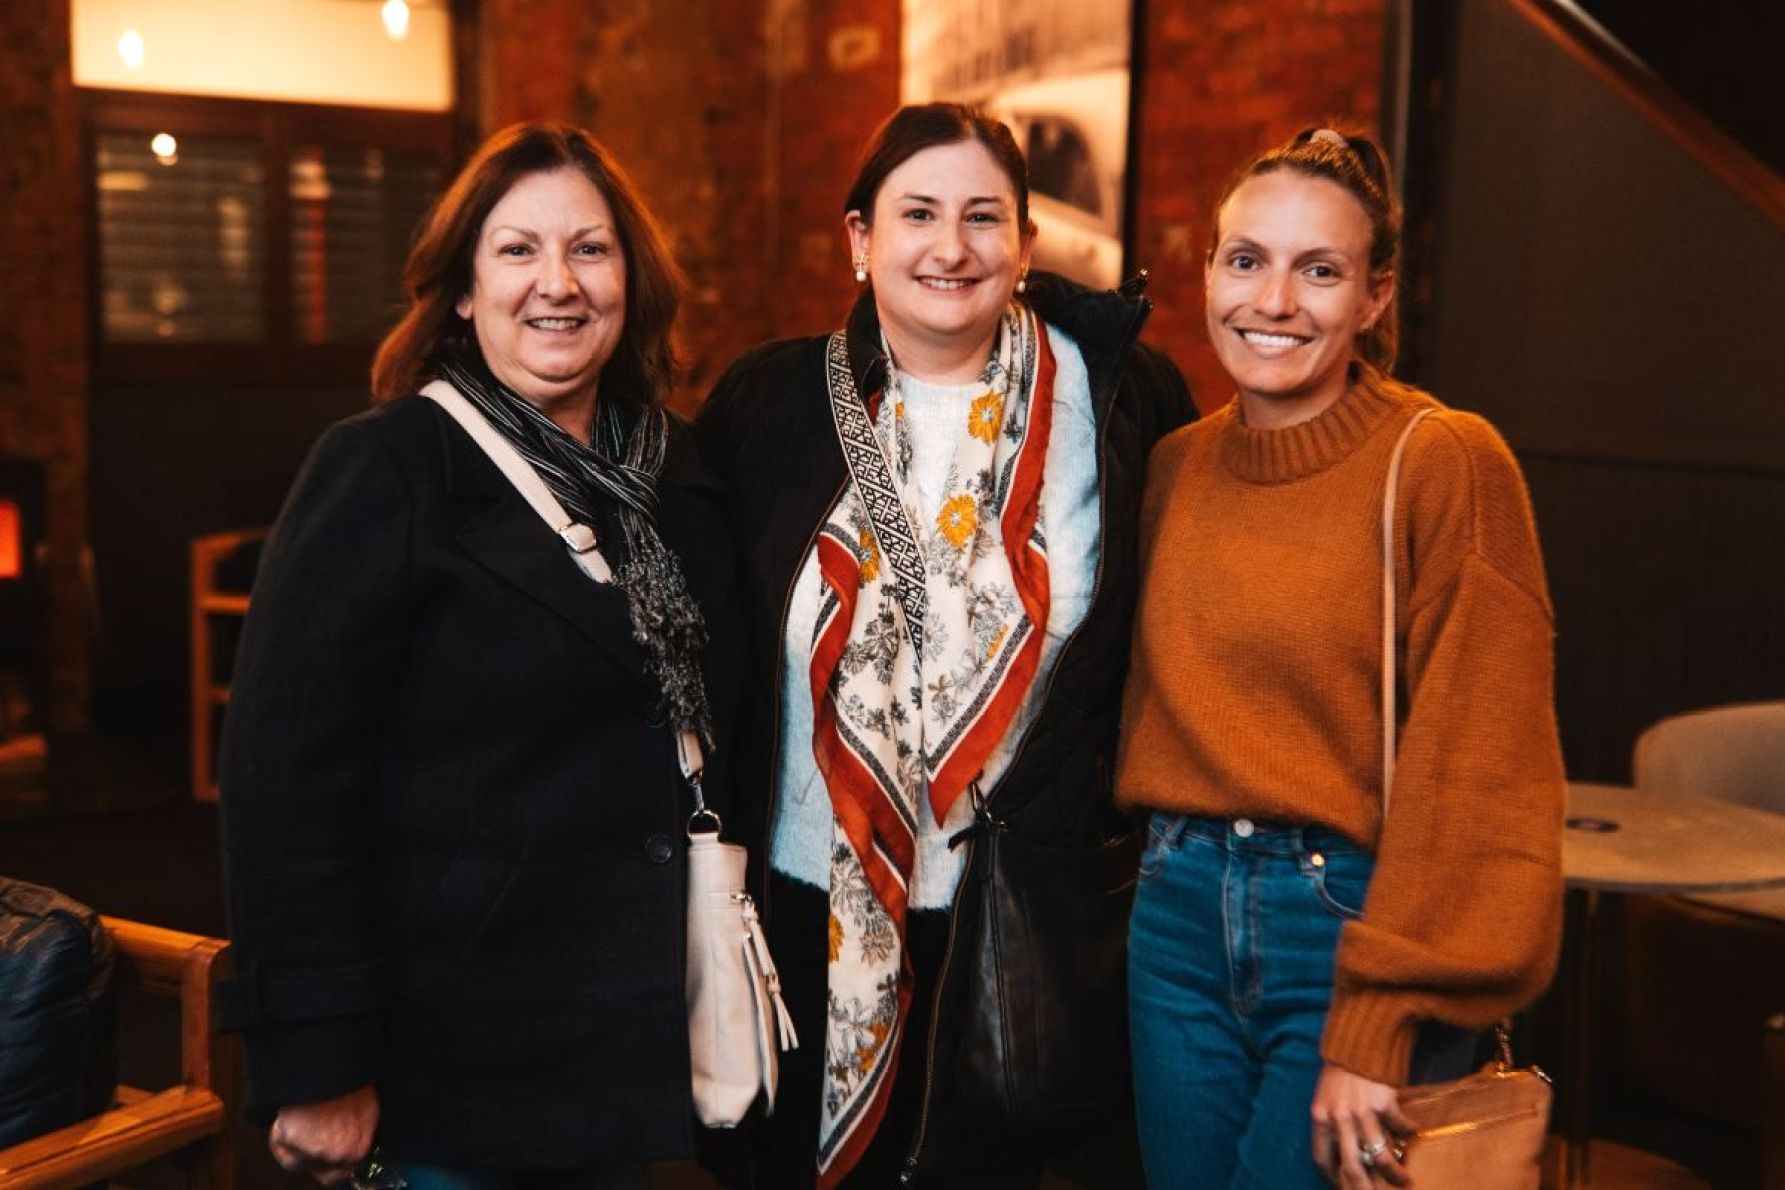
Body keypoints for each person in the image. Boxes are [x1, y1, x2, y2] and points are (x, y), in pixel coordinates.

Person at [218, 122, 738, 1189]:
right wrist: (317, 1059)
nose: (559, 282)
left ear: (630, 279)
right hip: (452, 1061)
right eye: (517, 250)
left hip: (625, 1038)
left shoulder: (675, 470)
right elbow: (284, 789)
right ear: (460, 291)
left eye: (591, 249)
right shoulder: (386, 468)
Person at [697, 103, 1192, 1187]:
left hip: (1023, 914)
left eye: (984, 216)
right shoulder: (766, 404)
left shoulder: (1118, 400)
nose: (952, 246)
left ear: (1025, 242)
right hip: (804, 897)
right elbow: (706, 647)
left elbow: (1162, 643)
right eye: (917, 213)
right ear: (861, 237)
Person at [1117, 126, 1565, 1190]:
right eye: (1246, 259)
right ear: (1211, 271)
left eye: (1319, 270)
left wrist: (1381, 1016)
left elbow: (1482, 764)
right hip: (1173, 912)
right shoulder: (1175, 466)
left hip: (1347, 921)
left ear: (1373, 298)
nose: (1273, 301)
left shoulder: (1443, 460)